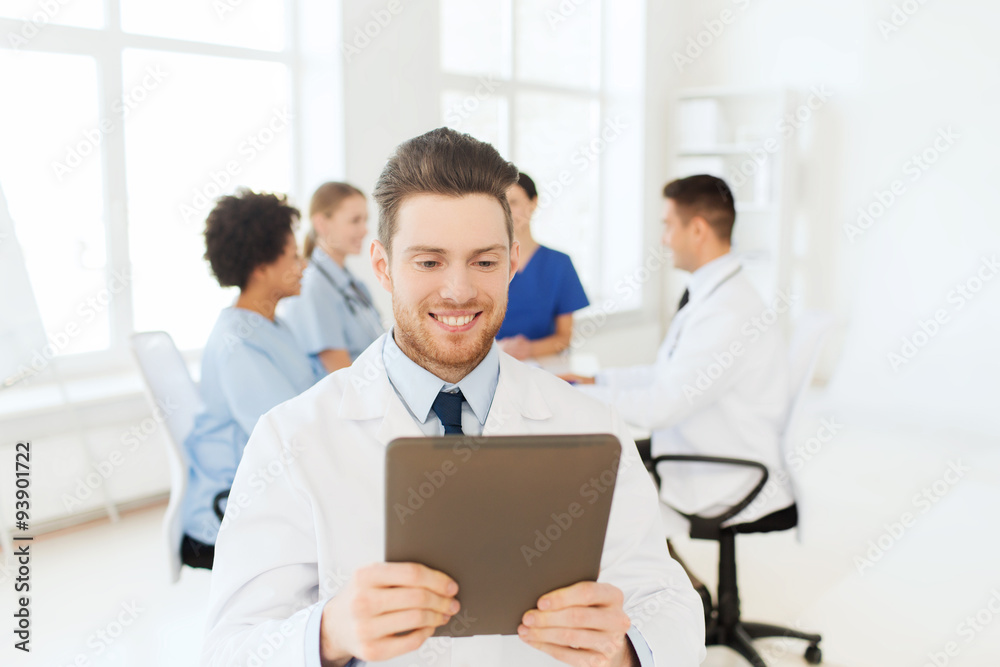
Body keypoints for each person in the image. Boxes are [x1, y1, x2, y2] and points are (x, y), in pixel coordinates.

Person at [201, 129, 705, 667]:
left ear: (512, 263)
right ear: (382, 266)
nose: (459, 290)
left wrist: (626, 651)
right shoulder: (293, 436)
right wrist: (329, 633)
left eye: (484, 262)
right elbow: (230, 649)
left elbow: (668, 603)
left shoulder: (591, 424)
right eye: (429, 262)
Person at [561, 174, 793, 533]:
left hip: (722, 470)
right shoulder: (716, 294)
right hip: (700, 445)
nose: (664, 239)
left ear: (697, 230)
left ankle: (676, 583)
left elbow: (660, 407)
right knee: (600, 460)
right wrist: (595, 380)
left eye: (668, 226)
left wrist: (576, 396)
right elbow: (665, 374)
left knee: (587, 478)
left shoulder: (727, 312)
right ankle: (676, 577)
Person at [180, 189, 327, 567]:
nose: (303, 266)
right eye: (293, 257)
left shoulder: (272, 325)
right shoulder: (238, 344)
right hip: (226, 513)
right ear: (261, 267)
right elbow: (284, 436)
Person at [282, 182, 384, 373]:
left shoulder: (353, 283)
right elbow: (341, 375)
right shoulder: (313, 287)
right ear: (321, 223)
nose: (365, 230)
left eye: (365, 220)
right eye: (355, 221)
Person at [495, 172, 589, 360]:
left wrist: (529, 350)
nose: (507, 212)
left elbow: (564, 337)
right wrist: (498, 352)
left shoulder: (559, 265)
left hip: (544, 366)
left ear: (533, 203)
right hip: (492, 366)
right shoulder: (484, 265)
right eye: (501, 205)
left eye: (513, 203)